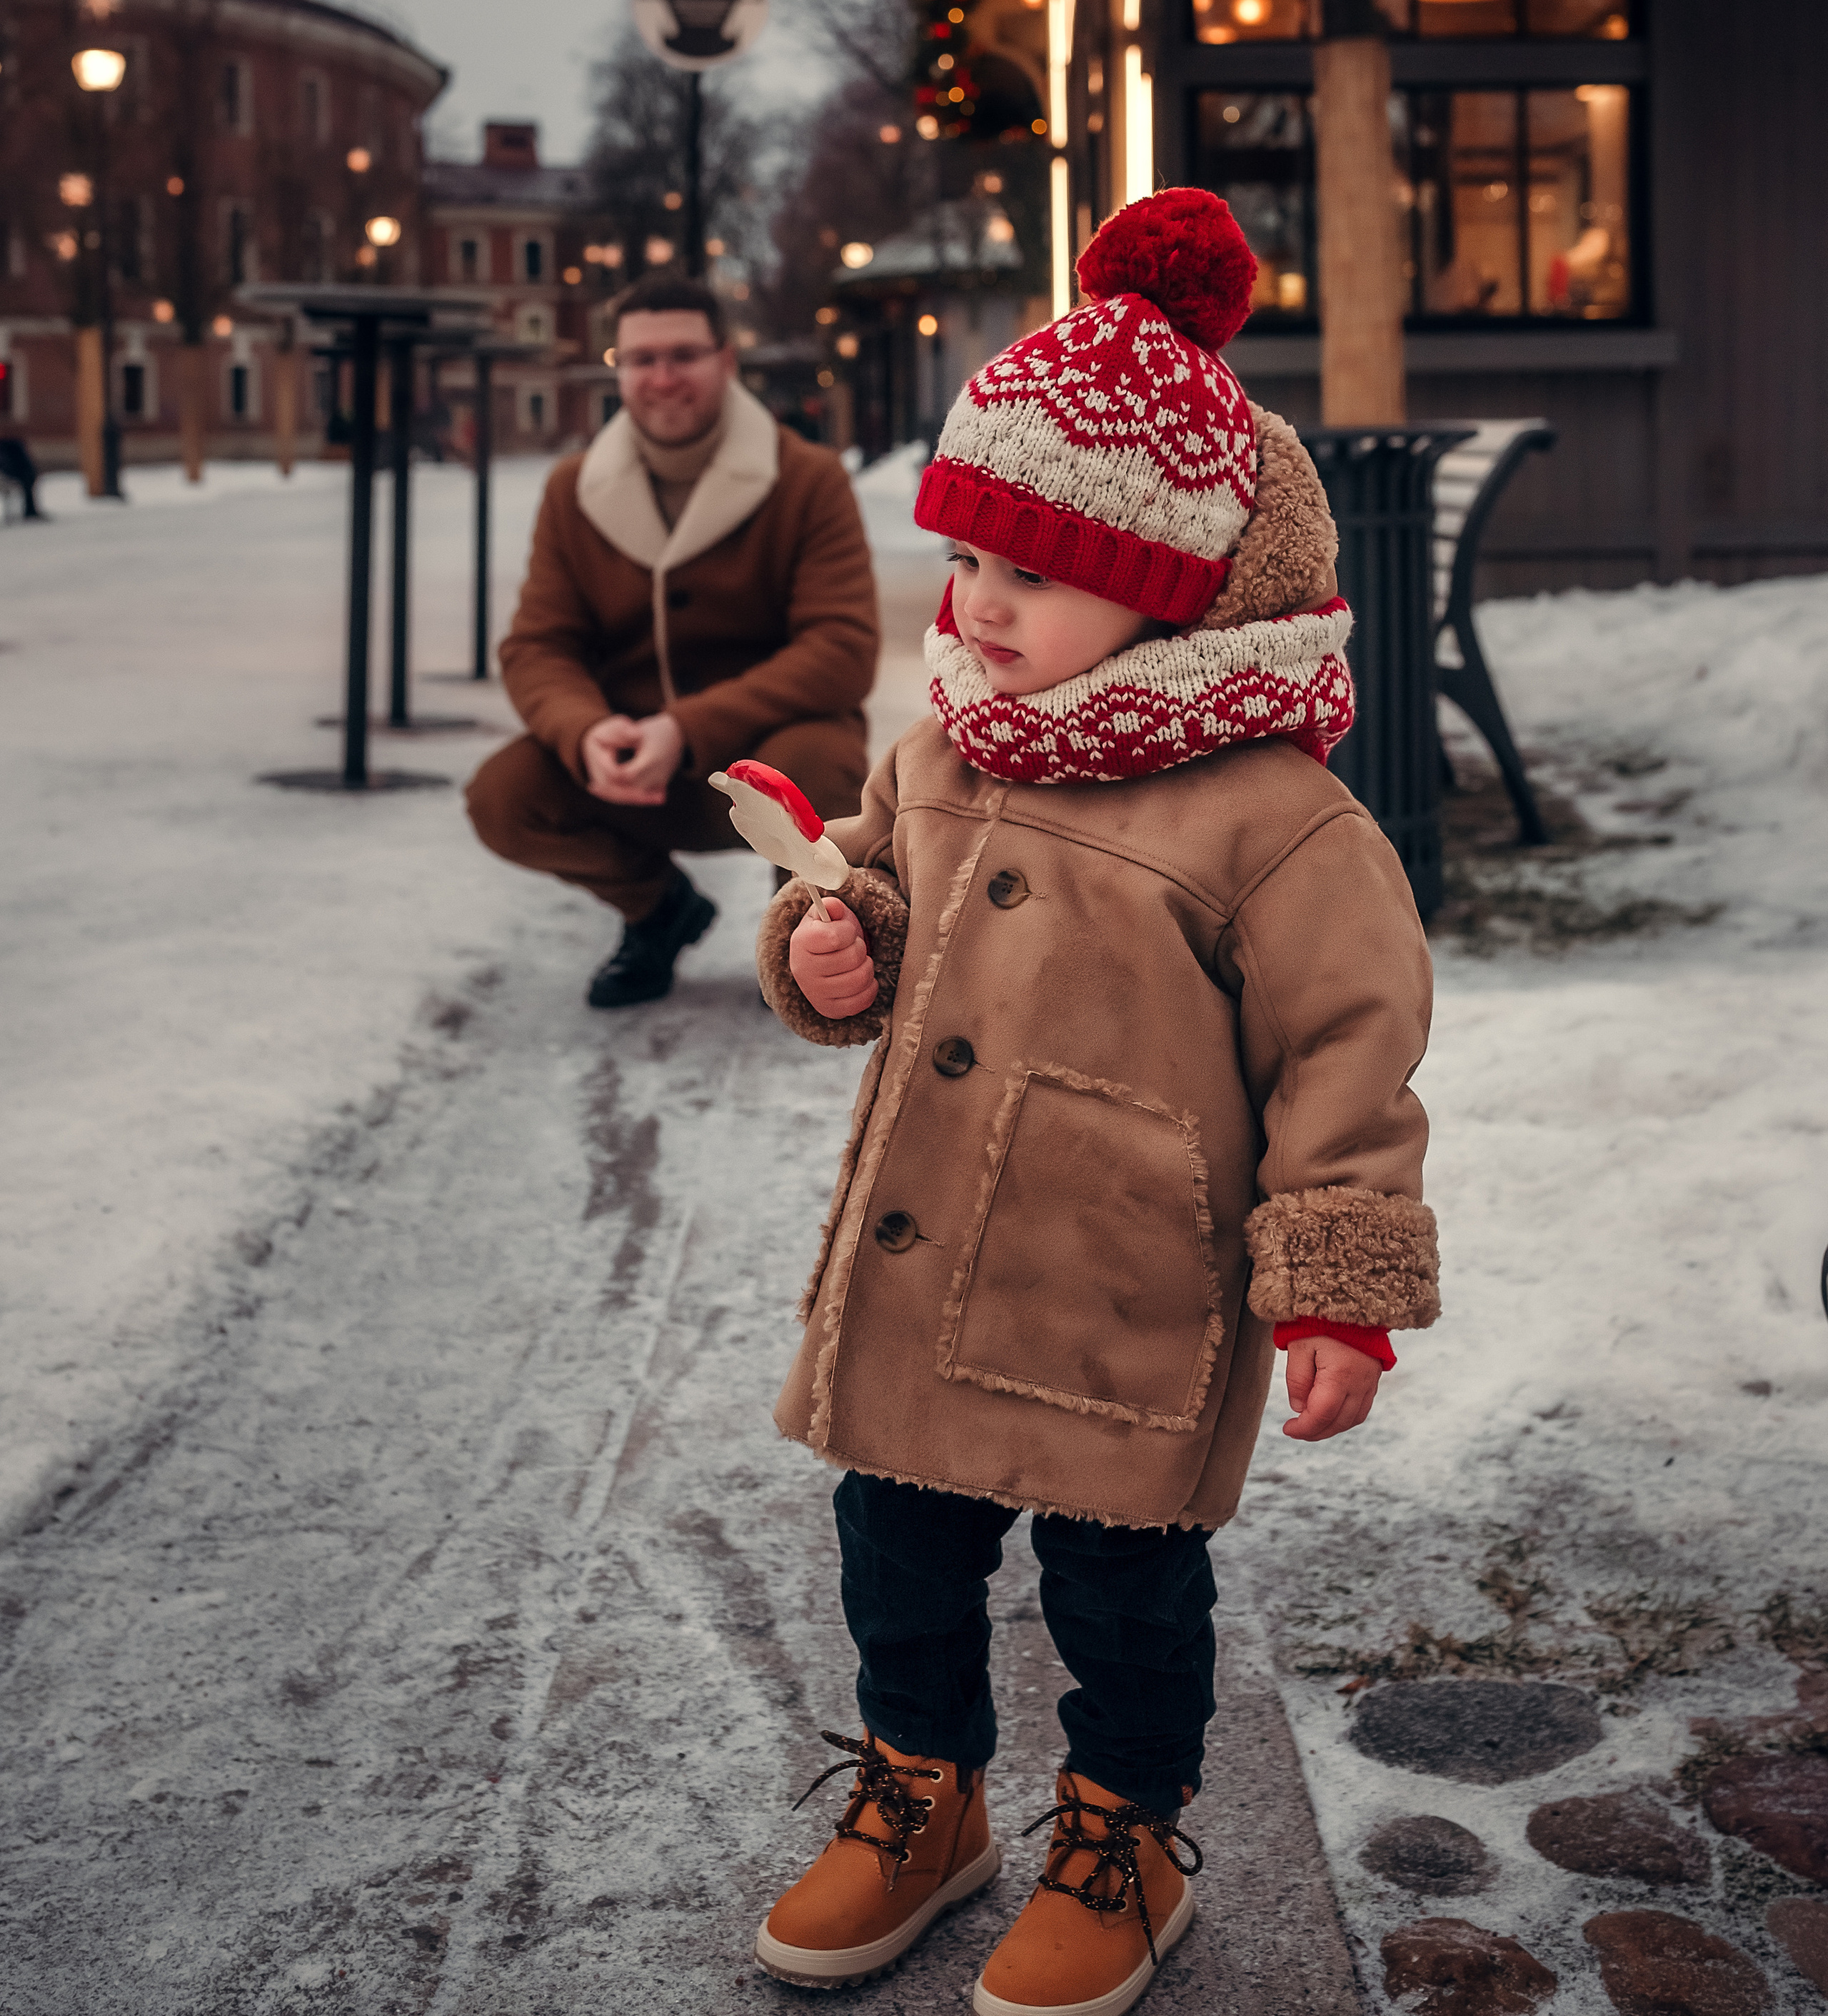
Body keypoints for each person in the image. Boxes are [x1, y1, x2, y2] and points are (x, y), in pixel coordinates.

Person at [748, 192, 1439, 2015]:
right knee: (893, 1550)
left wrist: (1336, 1282)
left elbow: (1346, 1058)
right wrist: (831, 953)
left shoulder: (1270, 812)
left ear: (1171, 584)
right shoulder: (943, 741)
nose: (974, 608)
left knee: (1122, 1597)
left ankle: (1120, 1825)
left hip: (1123, 1286)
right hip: (922, 1261)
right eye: (968, 563)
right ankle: (924, 1791)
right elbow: (874, 907)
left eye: (1025, 578)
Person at [466, 273, 878, 1007]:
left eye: (683, 355)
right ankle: (657, 913)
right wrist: (584, 730)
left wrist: (684, 729)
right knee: (503, 796)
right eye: (640, 358)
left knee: (820, 758)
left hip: (768, 755)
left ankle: (799, 931)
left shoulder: (806, 479)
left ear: (725, 359)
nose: (661, 378)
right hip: (631, 763)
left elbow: (841, 646)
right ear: (616, 367)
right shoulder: (574, 490)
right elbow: (538, 645)